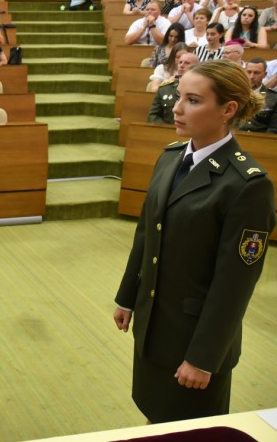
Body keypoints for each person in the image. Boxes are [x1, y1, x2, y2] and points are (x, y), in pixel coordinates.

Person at [114, 59, 275, 424]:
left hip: (194, 340)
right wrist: (127, 296)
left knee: (192, 428)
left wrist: (204, 357)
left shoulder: (247, 185)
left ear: (227, 110)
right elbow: (146, 232)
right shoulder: (171, 157)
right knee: (156, 419)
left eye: (193, 100)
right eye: (179, 96)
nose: (176, 107)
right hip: (156, 326)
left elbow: (234, 285)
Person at [148, 51, 198, 118]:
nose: (181, 65)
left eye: (187, 63)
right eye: (180, 62)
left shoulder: (200, 88)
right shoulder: (164, 88)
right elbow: (153, 115)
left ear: (197, 67)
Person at [239, 58, 277, 133]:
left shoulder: (274, 98)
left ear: (265, 75)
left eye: (256, 73)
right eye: (249, 72)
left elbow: (274, 129)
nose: (252, 77)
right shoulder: (234, 95)